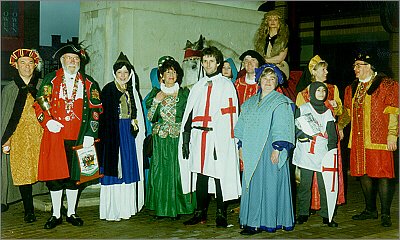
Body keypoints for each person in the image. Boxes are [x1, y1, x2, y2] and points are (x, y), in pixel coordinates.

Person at [33, 43, 103, 229]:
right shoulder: (51, 80)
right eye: (69, 58)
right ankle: (55, 214)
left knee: (75, 178)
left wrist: (91, 133)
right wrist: (47, 121)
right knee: (55, 178)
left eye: (76, 59)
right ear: (62, 61)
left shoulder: (89, 84)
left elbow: (96, 111)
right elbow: (39, 104)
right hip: (56, 137)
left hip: (80, 139)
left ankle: (71, 212)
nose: (73, 62)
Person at [178, 46, 241, 228]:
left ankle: (221, 214)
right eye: (205, 61)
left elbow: (230, 115)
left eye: (211, 61)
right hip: (198, 136)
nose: (207, 64)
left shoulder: (226, 85)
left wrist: (225, 140)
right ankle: (200, 213)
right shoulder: (198, 86)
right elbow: (189, 114)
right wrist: (186, 138)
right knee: (200, 176)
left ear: (219, 63)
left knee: (220, 174)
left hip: (216, 137)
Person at [234, 64, 295, 235]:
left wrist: (278, 148)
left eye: (272, 79)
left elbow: (282, 126)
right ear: (259, 80)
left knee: (268, 185)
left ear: (277, 82)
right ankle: (250, 220)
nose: (268, 82)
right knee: (252, 184)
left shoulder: (281, 102)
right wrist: (240, 146)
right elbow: (241, 126)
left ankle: (265, 221)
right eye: (265, 78)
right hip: (251, 148)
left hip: (270, 148)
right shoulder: (249, 103)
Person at [341, 51, 398, 227]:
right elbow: (347, 112)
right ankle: (370, 209)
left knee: (383, 175)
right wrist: (340, 126)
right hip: (358, 141)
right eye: (354, 65)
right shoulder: (351, 88)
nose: (355, 69)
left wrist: (392, 134)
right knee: (363, 174)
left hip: (380, 139)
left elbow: (394, 111)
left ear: (370, 67)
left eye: (359, 65)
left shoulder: (387, 85)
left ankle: (386, 213)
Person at [295, 55, 345, 215]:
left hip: (327, 139)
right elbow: (300, 119)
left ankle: (327, 210)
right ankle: (306, 210)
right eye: (323, 69)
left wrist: (337, 110)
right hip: (309, 144)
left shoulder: (333, 89)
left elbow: (340, 113)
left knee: (326, 178)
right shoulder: (303, 94)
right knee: (306, 180)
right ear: (313, 71)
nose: (327, 72)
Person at [98, 52, 145, 221]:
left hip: (127, 135)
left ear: (130, 74)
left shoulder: (131, 90)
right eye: (120, 73)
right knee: (114, 168)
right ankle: (113, 211)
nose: (123, 76)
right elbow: (105, 116)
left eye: (126, 72)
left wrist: (133, 123)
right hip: (113, 135)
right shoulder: (109, 89)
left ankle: (126, 209)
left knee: (127, 168)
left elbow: (134, 113)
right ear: (115, 74)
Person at [145, 57, 194, 220]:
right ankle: (161, 208)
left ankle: (178, 207)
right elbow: (151, 117)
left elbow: (190, 116)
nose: (171, 75)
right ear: (162, 76)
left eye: (174, 72)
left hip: (178, 138)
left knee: (178, 172)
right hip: (161, 138)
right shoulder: (155, 93)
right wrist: (157, 101)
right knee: (161, 172)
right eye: (168, 72)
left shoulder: (185, 93)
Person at [1, 49, 44, 223]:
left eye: (30, 63)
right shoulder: (10, 89)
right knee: (23, 172)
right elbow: (5, 117)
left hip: (41, 135)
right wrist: (6, 140)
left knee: (47, 169)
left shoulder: (43, 86)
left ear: (35, 65)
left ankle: (57, 205)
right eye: (23, 63)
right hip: (19, 137)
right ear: (16, 65)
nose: (27, 67)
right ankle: (29, 210)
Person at [293, 81, 339, 227]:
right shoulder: (303, 108)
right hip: (305, 152)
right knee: (304, 185)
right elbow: (294, 127)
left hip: (322, 154)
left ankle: (327, 214)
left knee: (324, 186)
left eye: (323, 91)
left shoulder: (327, 112)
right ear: (311, 92)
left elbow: (332, 134)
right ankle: (302, 213)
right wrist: (300, 135)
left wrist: (331, 152)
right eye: (318, 90)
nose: (321, 93)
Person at [254, 9, 290, 79]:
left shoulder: (284, 39)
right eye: (270, 19)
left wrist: (262, 60)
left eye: (275, 19)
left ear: (279, 22)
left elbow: (280, 58)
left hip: (279, 66)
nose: (272, 21)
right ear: (267, 22)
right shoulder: (261, 38)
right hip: (263, 66)